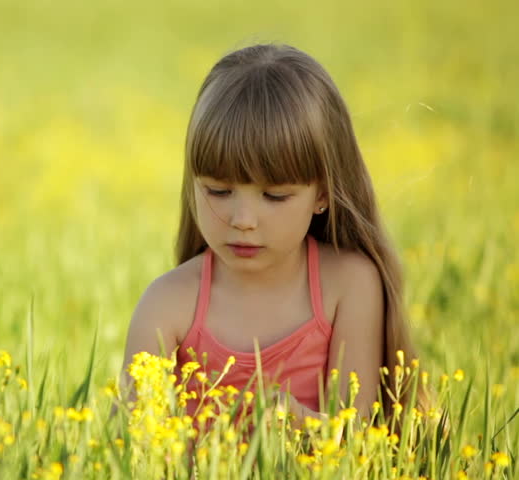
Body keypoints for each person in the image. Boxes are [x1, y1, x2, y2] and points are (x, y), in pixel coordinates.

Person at [117, 43, 422, 427]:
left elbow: (358, 435)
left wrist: (293, 423)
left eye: (274, 195)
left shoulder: (349, 284)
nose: (243, 219)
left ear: (323, 193)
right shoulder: (166, 304)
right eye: (218, 191)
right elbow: (132, 446)